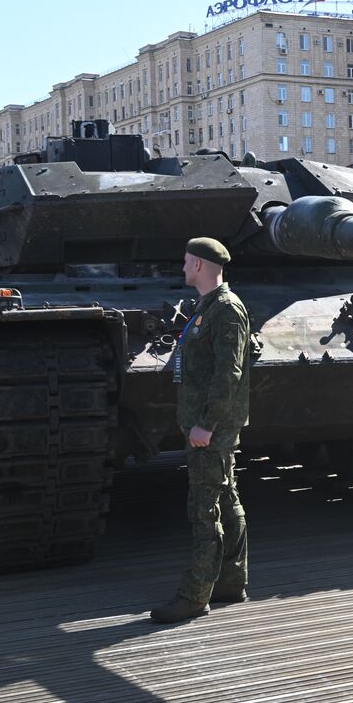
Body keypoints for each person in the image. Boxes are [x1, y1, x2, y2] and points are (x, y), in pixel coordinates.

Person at [152, 237, 253, 625]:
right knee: (226, 499)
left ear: (196, 264)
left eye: (184, 262)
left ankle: (194, 596)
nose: (181, 269)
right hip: (210, 424)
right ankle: (231, 580)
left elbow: (229, 374)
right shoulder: (208, 308)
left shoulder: (225, 310)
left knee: (203, 509)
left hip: (211, 428)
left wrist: (205, 425)